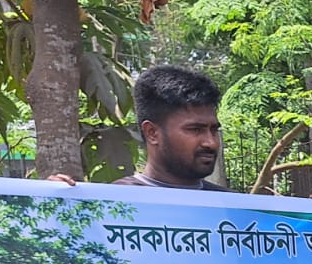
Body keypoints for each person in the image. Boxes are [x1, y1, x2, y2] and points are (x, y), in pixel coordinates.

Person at [50, 66, 226, 191]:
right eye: (195, 130)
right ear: (152, 133)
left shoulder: (236, 210)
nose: (210, 142)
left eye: (213, 130)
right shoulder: (112, 204)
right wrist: (48, 202)